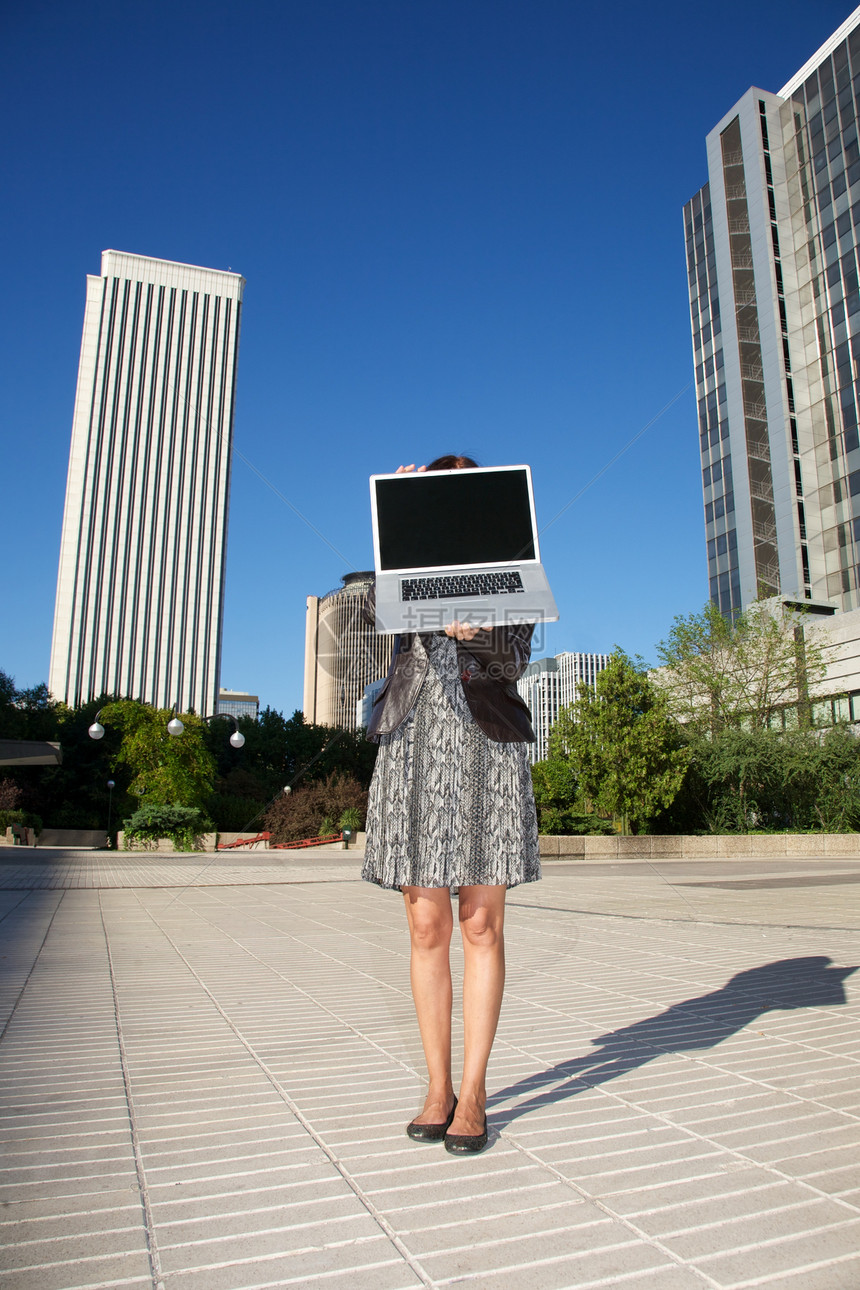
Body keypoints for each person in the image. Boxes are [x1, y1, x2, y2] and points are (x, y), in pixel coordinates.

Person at [361, 455, 540, 1154]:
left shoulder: (512, 577)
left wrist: (477, 632)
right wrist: (400, 523)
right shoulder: (405, 571)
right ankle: (436, 1087)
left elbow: (512, 665)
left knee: (482, 926)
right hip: (412, 743)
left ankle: (475, 1089)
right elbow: (382, 625)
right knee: (427, 924)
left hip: (486, 750)